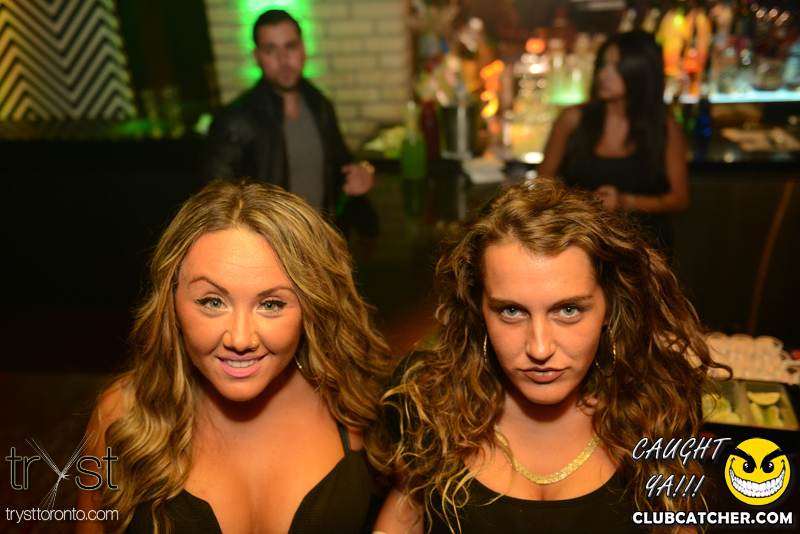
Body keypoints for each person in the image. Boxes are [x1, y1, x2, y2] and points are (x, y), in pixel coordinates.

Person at [375, 179, 727, 533]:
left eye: (569, 310)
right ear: (479, 307)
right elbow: (408, 505)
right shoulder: (427, 399)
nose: (540, 349)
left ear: (610, 306)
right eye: (511, 311)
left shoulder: (661, 405)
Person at [76, 180, 392, 534]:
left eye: (271, 304)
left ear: (312, 307)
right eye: (213, 302)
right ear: (170, 301)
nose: (240, 340)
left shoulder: (354, 402)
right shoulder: (122, 415)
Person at [203, 9, 375, 223]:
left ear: (303, 49)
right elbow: (214, 204)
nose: (283, 60)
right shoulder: (235, 121)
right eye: (271, 50)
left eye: (290, 47)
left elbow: (342, 167)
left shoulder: (320, 105)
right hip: (271, 241)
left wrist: (364, 171)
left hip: (322, 234)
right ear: (257, 57)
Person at [537, 30, 689, 252]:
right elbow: (543, 183)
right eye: (603, 65)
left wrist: (625, 202)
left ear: (640, 73)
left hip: (645, 249)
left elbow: (679, 200)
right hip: (584, 244)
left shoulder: (663, 126)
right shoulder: (573, 119)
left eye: (617, 67)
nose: (603, 74)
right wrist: (579, 203)